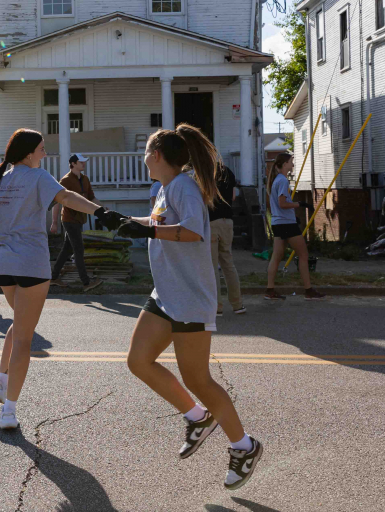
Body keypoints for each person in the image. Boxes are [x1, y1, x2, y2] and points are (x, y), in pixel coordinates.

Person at [114, 124, 262, 491]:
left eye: (146, 152)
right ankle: (197, 417)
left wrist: (148, 231)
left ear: (157, 155)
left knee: (199, 379)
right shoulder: (166, 188)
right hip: (166, 293)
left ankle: (244, 447)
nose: (144, 158)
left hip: (191, 297)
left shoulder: (183, 186)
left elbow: (193, 230)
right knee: (139, 361)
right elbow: (161, 223)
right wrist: (128, 221)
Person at [0, 129, 125, 430]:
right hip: (31, 263)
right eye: (41, 148)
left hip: (4, 265)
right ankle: (8, 412)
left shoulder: (1, 179)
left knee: (20, 323)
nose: (45, 153)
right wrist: (101, 211)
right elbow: (66, 197)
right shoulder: (38, 177)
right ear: (29, 153)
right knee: (24, 338)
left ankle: (0, 381)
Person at [265, 154, 325, 300]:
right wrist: (299, 204)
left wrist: (293, 216)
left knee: (276, 257)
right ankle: (309, 291)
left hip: (278, 223)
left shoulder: (276, 180)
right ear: (284, 164)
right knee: (303, 255)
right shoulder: (283, 180)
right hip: (286, 224)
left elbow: (279, 205)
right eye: (291, 162)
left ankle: (269, 290)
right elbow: (282, 203)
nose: (292, 165)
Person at [49, 153, 104, 291]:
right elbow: (56, 202)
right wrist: (54, 222)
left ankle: (53, 278)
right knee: (79, 249)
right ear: (73, 164)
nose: (84, 164)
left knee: (67, 250)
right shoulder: (65, 180)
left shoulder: (85, 179)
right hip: (69, 220)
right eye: (81, 162)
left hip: (80, 219)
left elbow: (91, 198)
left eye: (84, 162)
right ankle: (86, 283)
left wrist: (103, 210)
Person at [208, 163, 245, 316]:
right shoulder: (228, 171)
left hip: (211, 222)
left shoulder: (205, 172)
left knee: (212, 266)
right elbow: (233, 196)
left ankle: (217, 307)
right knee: (228, 264)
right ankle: (237, 305)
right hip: (227, 221)